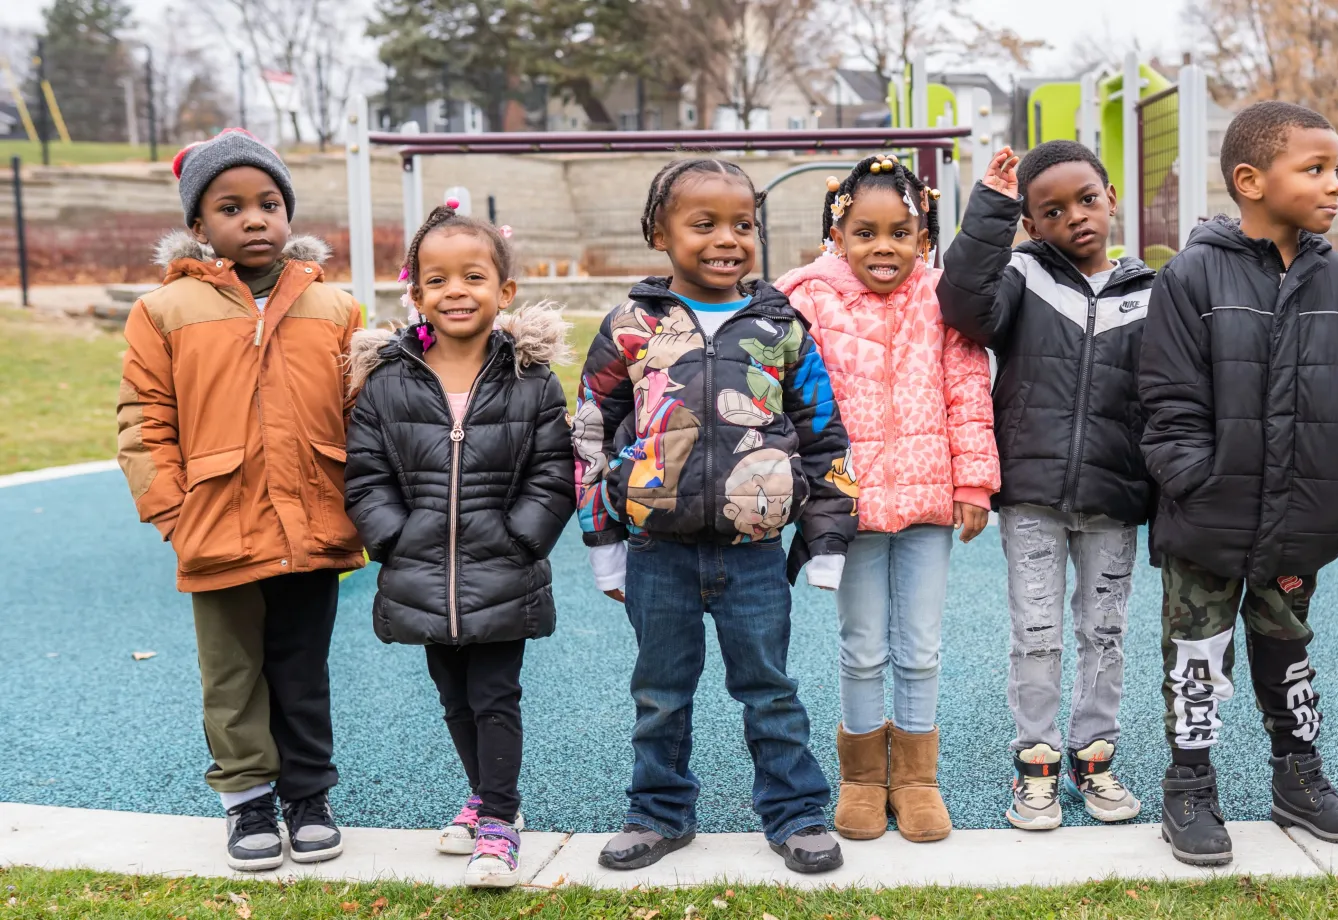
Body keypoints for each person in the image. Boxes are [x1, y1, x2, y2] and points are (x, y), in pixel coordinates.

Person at [574, 158, 859, 874]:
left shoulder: (782, 328)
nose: (726, 238)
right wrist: (601, 539)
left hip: (754, 553)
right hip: (656, 552)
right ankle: (659, 812)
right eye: (703, 224)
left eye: (742, 224)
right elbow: (587, 432)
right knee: (660, 693)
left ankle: (795, 813)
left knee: (769, 690)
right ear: (658, 233)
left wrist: (826, 539)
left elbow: (824, 434)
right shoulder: (629, 327)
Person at [1139, 101, 1338, 866]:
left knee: (1288, 646)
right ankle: (1190, 786)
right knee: (1197, 657)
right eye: (1315, 169)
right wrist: (1196, 482)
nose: (1334, 185)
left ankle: (1298, 779)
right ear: (1250, 180)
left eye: (1335, 169)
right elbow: (1166, 401)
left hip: (1302, 519)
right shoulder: (1191, 276)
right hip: (1207, 518)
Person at [117, 128, 362, 871]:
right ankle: (247, 800)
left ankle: (308, 793)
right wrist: (173, 511)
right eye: (230, 206)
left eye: (269, 203)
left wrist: (364, 500)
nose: (254, 219)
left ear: (288, 213)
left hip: (313, 519)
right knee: (231, 674)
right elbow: (143, 419)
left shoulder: (334, 306)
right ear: (198, 224)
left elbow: (364, 411)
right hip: (216, 526)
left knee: (301, 667)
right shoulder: (164, 312)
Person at [343, 204, 575, 887]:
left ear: (504, 291)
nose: (455, 291)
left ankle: (500, 821)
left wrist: (523, 536)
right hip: (422, 571)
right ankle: (482, 796)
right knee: (453, 695)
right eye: (437, 279)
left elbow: (553, 470)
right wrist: (391, 536)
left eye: (473, 276)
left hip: (502, 566)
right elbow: (366, 473)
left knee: (496, 693)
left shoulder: (531, 380)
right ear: (414, 294)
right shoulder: (389, 381)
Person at [775, 153, 999, 844]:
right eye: (865, 232)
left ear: (924, 238)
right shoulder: (808, 299)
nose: (884, 247)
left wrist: (973, 482)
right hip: (850, 510)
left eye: (900, 233)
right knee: (864, 645)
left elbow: (966, 391)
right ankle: (864, 778)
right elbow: (787, 401)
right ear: (837, 236)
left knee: (922, 646)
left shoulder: (941, 299)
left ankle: (917, 779)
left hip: (929, 501)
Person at [939, 142, 1153, 831]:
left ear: (1111, 196)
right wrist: (993, 210)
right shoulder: (1023, 276)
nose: (1076, 219)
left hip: (1115, 497)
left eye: (1087, 200)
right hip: (1031, 492)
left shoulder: (1152, 292)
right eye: (1051, 211)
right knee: (1036, 633)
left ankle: (1095, 761)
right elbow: (963, 306)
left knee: (1106, 632)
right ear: (1032, 224)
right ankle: (1035, 764)